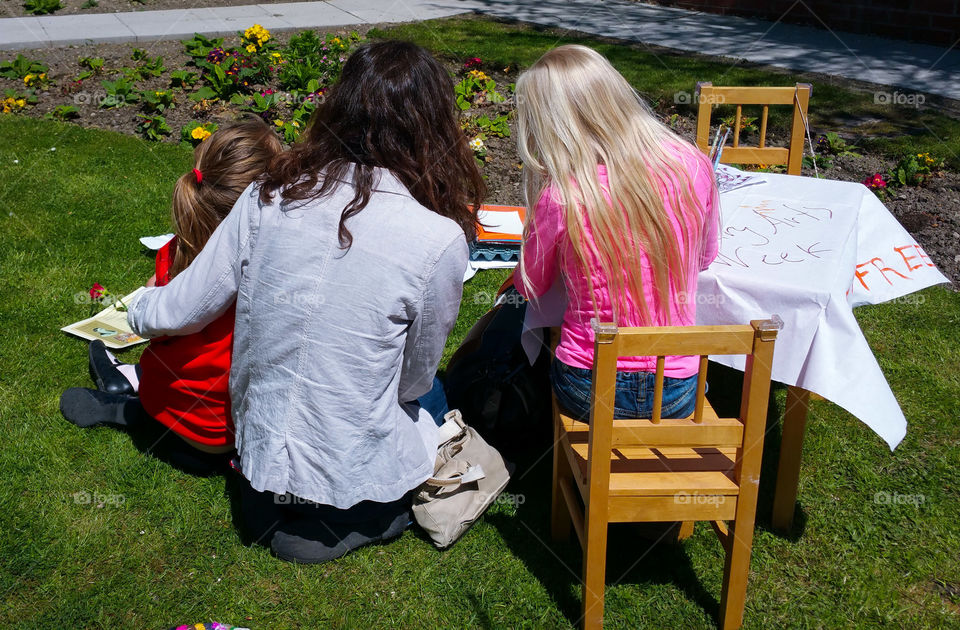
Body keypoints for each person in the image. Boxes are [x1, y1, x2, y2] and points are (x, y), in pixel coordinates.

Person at [125, 41, 484, 563]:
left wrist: (134, 310)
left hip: (257, 467)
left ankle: (292, 517)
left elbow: (186, 305)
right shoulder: (438, 239)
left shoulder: (268, 194)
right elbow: (414, 377)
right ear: (435, 128)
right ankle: (353, 521)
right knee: (435, 393)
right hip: (347, 473)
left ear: (338, 106)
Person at [60, 118, 283, 475]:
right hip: (242, 436)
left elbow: (157, 325)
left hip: (183, 428)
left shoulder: (177, 252)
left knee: (166, 376)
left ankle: (124, 401)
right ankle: (128, 382)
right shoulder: (280, 268)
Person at [513, 45, 720, 421]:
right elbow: (704, 258)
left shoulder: (562, 195)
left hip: (589, 385)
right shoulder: (692, 164)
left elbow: (530, 286)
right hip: (676, 389)